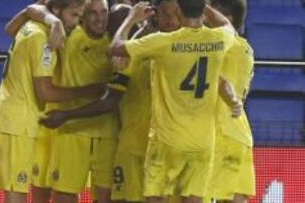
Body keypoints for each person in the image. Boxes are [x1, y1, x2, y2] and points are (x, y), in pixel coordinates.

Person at [40, 1, 180, 203]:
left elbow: (110, 99)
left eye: (104, 13)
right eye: (93, 13)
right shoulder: (72, 36)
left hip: (123, 137)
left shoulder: (131, 48)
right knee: (66, 193)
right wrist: (52, 20)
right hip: (82, 134)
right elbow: (41, 8)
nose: (101, 19)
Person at [109, 1, 242, 203]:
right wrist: (202, 5)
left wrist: (131, 19)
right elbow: (228, 27)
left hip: (166, 141)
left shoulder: (164, 42)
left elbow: (116, 48)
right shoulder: (219, 38)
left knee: (155, 198)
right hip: (202, 142)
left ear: (179, 10)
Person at [0, 0, 100, 203]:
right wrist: (88, 91)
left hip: (13, 119)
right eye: (74, 15)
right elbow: (46, 91)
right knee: (15, 193)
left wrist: (52, 20)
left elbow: (11, 26)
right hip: (17, 123)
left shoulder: (30, 26)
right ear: (57, 10)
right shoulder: (42, 38)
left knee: (16, 189)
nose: (77, 22)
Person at [204, 0, 256, 202]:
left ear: (228, 18)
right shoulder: (245, 48)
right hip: (240, 133)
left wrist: (198, 5)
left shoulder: (229, 44)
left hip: (222, 133)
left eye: (213, 9)